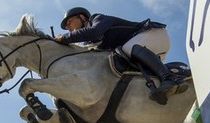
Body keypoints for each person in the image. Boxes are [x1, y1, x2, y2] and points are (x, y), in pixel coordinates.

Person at [54, 6, 183, 104]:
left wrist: (65, 38)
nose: (68, 28)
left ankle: (169, 79)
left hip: (154, 35)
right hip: (143, 53)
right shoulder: (89, 42)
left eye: (70, 22)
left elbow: (95, 32)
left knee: (126, 48)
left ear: (82, 17)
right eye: (66, 27)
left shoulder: (98, 19)